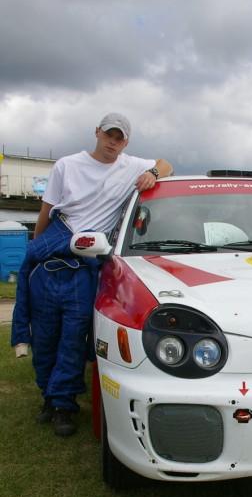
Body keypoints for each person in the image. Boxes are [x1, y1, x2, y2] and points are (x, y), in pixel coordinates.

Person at [11, 113, 173, 437]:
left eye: (120, 137)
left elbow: (166, 164)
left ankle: (63, 404)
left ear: (126, 142)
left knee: (73, 337)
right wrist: (36, 249)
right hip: (55, 246)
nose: (113, 142)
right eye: (109, 134)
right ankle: (48, 396)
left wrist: (153, 173)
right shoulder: (66, 165)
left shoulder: (130, 166)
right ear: (97, 132)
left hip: (85, 262)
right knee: (45, 337)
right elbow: (47, 211)